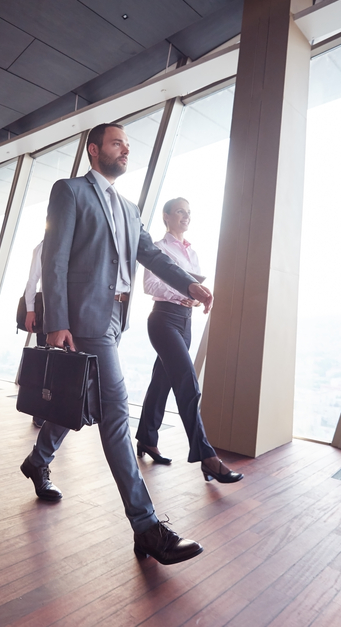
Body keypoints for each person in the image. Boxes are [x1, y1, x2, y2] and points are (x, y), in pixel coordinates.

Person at [19, 123, 214, 566]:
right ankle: (146, 526)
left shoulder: (129, 208)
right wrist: (57, 321)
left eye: (128, 145)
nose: (125, 150)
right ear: (93, 150)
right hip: (81, 317)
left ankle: (38, 458)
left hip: (114, 318)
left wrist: (191, 285)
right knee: (114, 412)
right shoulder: (68, 191)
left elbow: (152, 255)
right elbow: (55, 256)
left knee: (85, 399)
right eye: (116, 143)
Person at [136, 198, 243, 483]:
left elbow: (190, 285)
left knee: (162, 381)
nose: (186, 216)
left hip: (185, 322)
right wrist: (183, 294)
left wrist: (192, 299)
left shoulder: (192, 252)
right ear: (166, 216)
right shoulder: (158, 248)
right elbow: (151, 285)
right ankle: (207, 458)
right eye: (180, 211)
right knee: (188, 383)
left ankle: (146, 438)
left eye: (189, 212)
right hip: (163, 320)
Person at [22, 240, 46, 427]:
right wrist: (30, 310)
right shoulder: (43, 245)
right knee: (44, 361)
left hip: (72, 308)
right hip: (46, 308)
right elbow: (33, 279)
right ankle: (40, 411)